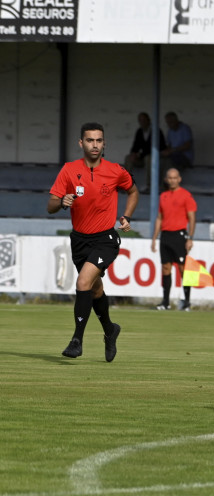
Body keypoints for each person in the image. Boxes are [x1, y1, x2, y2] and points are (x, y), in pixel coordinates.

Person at [46, 122, 139, 361]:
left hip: (106, 238)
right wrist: (62, 201)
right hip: (79, 240)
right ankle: (110, 329)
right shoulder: (68, 170)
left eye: (99, 140)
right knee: (95, 289)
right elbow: (51, 206)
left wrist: (126, 216)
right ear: (81, 143)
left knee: (83, 280)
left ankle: (77, 340)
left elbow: (133, 191)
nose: (95, 144)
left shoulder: (116, 170)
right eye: (90, 140)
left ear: (104, 143)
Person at [151, 168, 197, 311]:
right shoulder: (163, 196)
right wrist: (154, 238)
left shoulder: (186, 196)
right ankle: (165, 302)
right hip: (165, 236)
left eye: (175, 178)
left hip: (179, 235)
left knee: (183, 269)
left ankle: (187, 302)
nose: (172, 180)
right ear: (166, 179)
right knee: (166, 268)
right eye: (170, 178)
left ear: (179, 179)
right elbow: (159, 218)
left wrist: (190, 238)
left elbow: (192, 218)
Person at [123, 112, 166, 190]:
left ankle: (149, 185)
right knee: (128, 158)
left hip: (154, 158)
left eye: (144, 120)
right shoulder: (139, 131)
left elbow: (159, 147)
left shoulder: (156, 131)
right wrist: (133, 153)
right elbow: (135, 145)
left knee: (148, 158)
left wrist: (140, 154)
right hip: (142, 157)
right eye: (140, 120)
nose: (142, 122)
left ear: (148, 120)